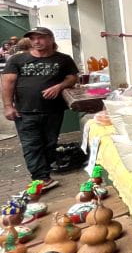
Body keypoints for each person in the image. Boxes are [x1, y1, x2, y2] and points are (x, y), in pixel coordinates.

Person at [1, 27, 78, 190]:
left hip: (53, 110)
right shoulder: (17, 60)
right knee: (31, 145)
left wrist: (60, 86)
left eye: (41, 38)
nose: (36, 41)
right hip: (25, 111)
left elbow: (72, 77)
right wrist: (8, 106)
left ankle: (44, 171)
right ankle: (41, 178)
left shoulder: (63, 59)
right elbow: (7, 83)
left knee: (50, 143)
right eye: (33, 38)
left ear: (51, 39)